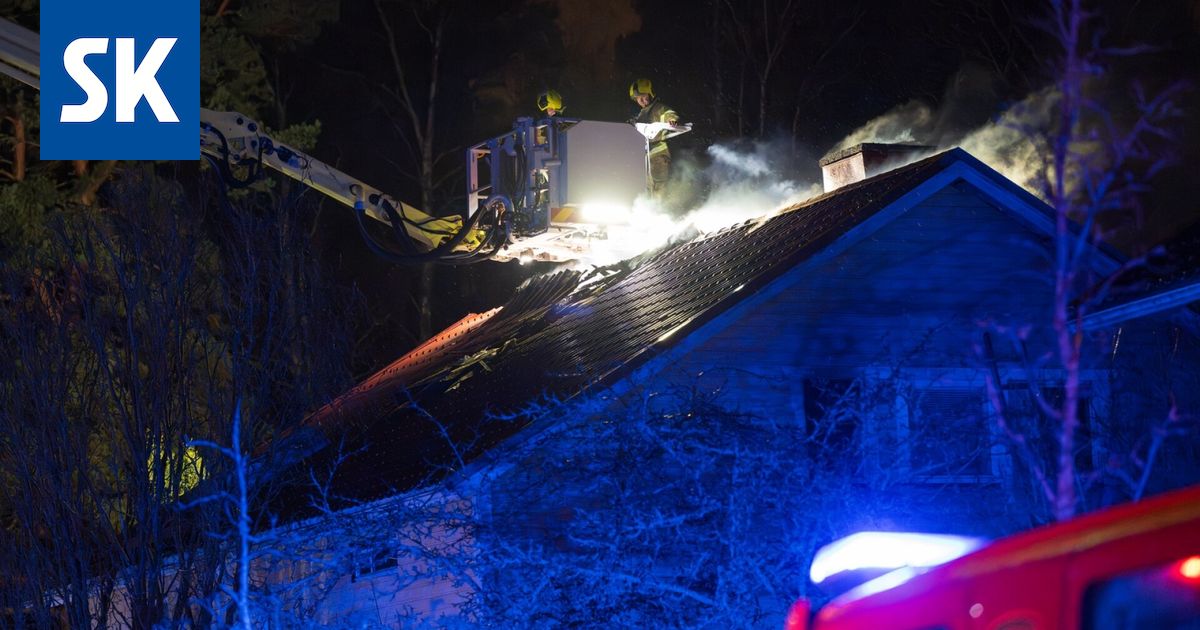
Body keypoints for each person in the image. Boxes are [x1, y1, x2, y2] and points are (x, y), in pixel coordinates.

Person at [629, 78, 679, 198]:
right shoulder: (642, 113)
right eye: (638, 98)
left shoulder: (657, 108)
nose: (641, 100)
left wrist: (671, 120)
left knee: (659, 186)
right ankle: (650, 209)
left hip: (658, 155)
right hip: (646, 156)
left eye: (643, 96)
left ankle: (660, 210)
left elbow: (669, 113)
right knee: (647, 187)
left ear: (650, 94)